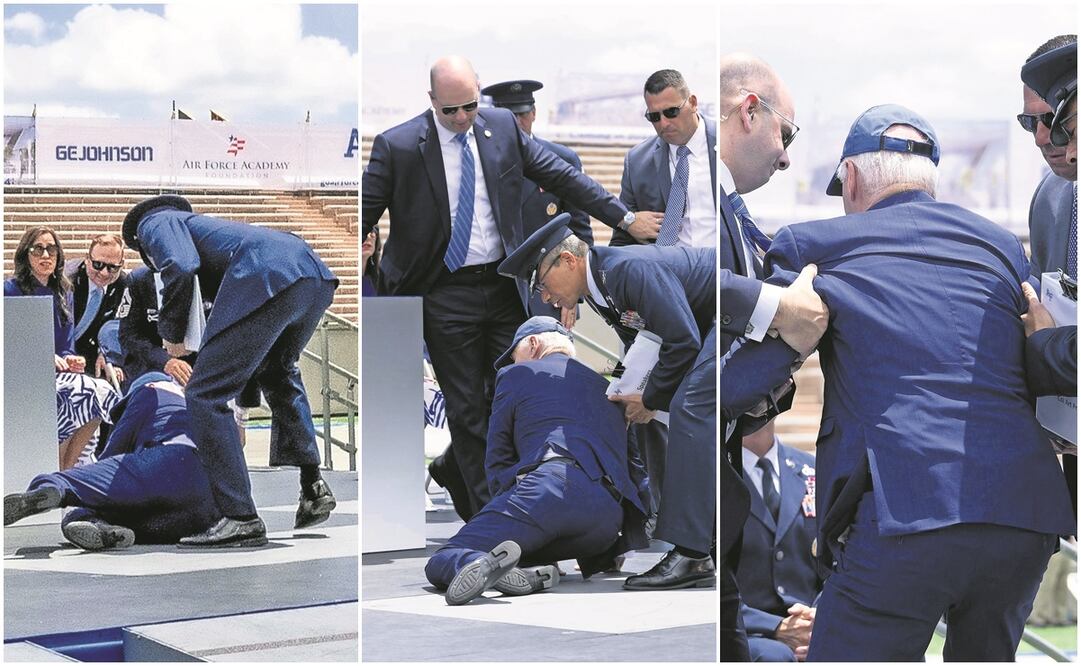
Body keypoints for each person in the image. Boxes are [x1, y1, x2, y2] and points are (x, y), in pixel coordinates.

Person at [719, 104, 1075, 661]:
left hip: (905, 512)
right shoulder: (1000, 247)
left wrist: (703, 394)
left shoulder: (813, 244)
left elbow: (747, 383)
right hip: (1024, 513)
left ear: (853, 178)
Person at [362, 55, 652, 522]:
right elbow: (364, 209)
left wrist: (625, 217)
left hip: (502, 285)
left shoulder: (500, 127)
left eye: (469, 106)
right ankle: (493, 524)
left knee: (515, 394)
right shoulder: (398, 146)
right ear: (431, 101)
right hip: (442, 290)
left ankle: (494, 487)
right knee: (468, 408)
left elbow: (562, 177)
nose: (461, 118)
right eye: (449, 110)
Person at [498, 215, 819, 598]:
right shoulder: (602, 287)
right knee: (688, 412)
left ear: (568, 261)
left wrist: (649, 400)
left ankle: (690, 553)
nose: (546, 298)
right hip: (707, 325)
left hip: (731, 317)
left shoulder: (624, 270)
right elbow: (642, 344)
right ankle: (713, 531)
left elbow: (681, 339)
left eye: (542, 283)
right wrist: (623, 387)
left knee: (693, 406)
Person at [122, 194, 339, 547]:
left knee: (204, 395)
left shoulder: (154, 223)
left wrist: (171, 335)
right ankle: (312, 485)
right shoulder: (212, 233)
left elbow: (178, 264)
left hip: (268, 274)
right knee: (278, 371)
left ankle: (240, 516)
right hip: (312, 274)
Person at [715, 53, 823, 660]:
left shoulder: (732, 211)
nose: (787, 156)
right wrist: (785, 317)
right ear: (749, 111)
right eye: (788, 133)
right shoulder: (694, 193)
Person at [424, 316, 649, 605]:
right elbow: (635, 469)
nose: (515, 364)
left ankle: (476, 562)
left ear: (533, 343)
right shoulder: (606, 388)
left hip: (547, 491)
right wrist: (619, 546)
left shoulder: (516, 375)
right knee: (525, 544)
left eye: (515, 356)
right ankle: (534, 573)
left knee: (443, 558)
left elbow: (497, 458)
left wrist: (503, 507)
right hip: (604, 523)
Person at [4, 372, 220, 550]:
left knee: (71, 488)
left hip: (166, 463)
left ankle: (51, 489)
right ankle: (107, 530)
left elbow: (113, 456)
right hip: (203, 510)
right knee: (128, 515)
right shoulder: (194, 406)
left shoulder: (149, 392)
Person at [1019, 37, 1078, 516]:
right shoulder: (1051, 197)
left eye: (1055, 122)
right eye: (1030, 122)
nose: (1042, 138)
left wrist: (1047, 349)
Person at [481, 78, 593, 327]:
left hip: (549, 289)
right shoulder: (480, 163)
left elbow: (580, 229)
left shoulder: (561, 159)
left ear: (533, 113)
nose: (517, 123)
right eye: (508, 116)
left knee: (548, 361)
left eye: (521, 114)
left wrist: (575, 294)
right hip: (495, 288)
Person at [738, 420, 822, 662]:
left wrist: (817, 618)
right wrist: (775, 626)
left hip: (814, 623)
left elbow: (838, 558)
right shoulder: (718, 471)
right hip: (746, 631)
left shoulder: (813, 468)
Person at [613, 68, 712, 248]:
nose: (663, 123)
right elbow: (622, 241)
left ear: (693, 102)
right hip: (665, 271)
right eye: (654, 117)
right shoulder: (637, 162)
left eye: (671, 112)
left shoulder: (724, 143)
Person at [5, 227, 85, 373]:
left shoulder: (65, 293)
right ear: (26, 255)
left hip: (57, 374)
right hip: (21, 374)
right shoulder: (9, 291)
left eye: (51, 249)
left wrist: (70, 359)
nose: (46, 255)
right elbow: (9, 344)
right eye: (38, 249)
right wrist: (43, 357)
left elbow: (66, 347)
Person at [65, 234, 129, 383]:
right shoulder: (67, 278)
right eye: (98, 265)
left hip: (88, 354)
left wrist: (108, 353)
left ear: (122, 264)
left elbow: (119, 325)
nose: (104, 273)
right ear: (87, 259)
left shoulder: (124, 286)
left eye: (112, 267)